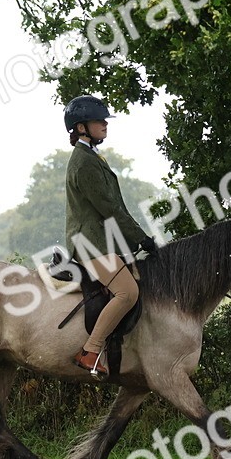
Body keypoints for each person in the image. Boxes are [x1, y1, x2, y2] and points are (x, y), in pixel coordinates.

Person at [62, 95, 158, 377]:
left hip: (102, 240)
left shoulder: (91, 157)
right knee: (127, 293)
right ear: (81, 127)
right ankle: (90, 350)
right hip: (90, 243)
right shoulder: (84, 162)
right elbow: (110, 208)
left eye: (104, 120)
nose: (105, 124)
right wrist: (140, 238)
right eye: (98, 120)